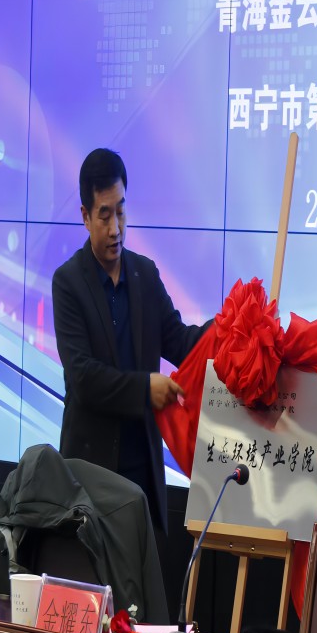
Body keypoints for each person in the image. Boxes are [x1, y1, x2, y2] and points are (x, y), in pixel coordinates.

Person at [52, 147, 209, 543]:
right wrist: (144, 389)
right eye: (104, 215)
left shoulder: (145, 274)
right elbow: (83, 378)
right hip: (89, 475)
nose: (115, 228)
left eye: (121, 212)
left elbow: (181, 341)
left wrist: (231, 328)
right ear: (85, 216)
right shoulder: (68, 283)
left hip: (143, 475)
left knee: (142, 582)